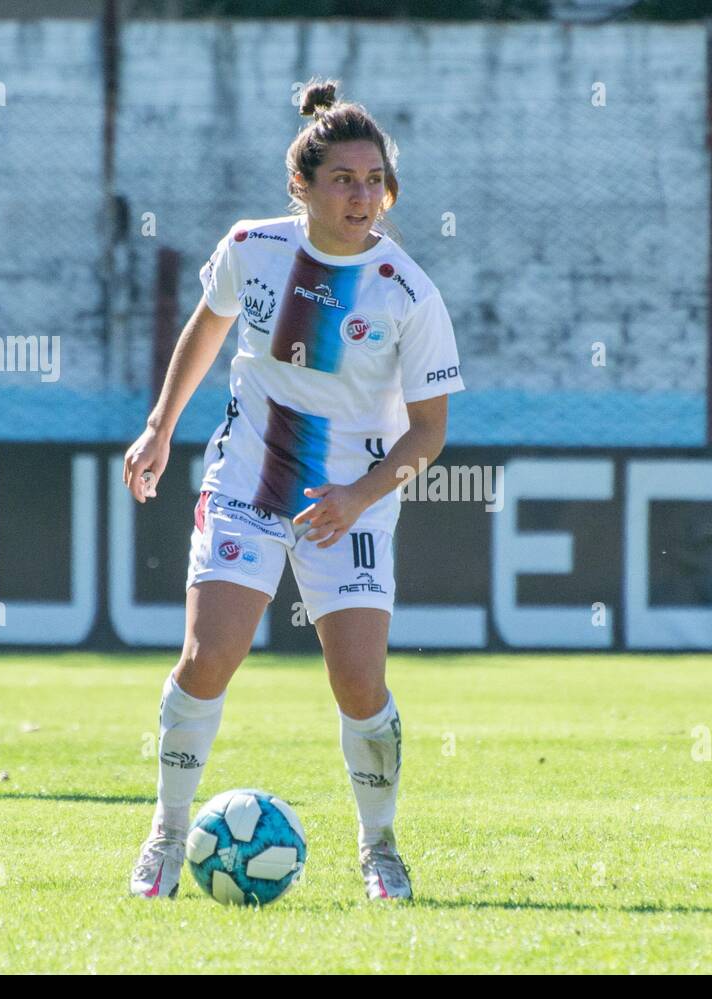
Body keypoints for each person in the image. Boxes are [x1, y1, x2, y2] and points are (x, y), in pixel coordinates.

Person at [122, 79, 463, 900]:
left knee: (358, 684)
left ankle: (380, 849)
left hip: (351, 502)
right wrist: (162, 424)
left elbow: (429, 433)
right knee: (207, 661)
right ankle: (166, 837)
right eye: (343, 178)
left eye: (374, 178)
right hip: (246, 481)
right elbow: (208, 324)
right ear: (301, 187)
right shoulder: (251, 246)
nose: (362, 194)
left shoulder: (407, 291)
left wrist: (359, 496)